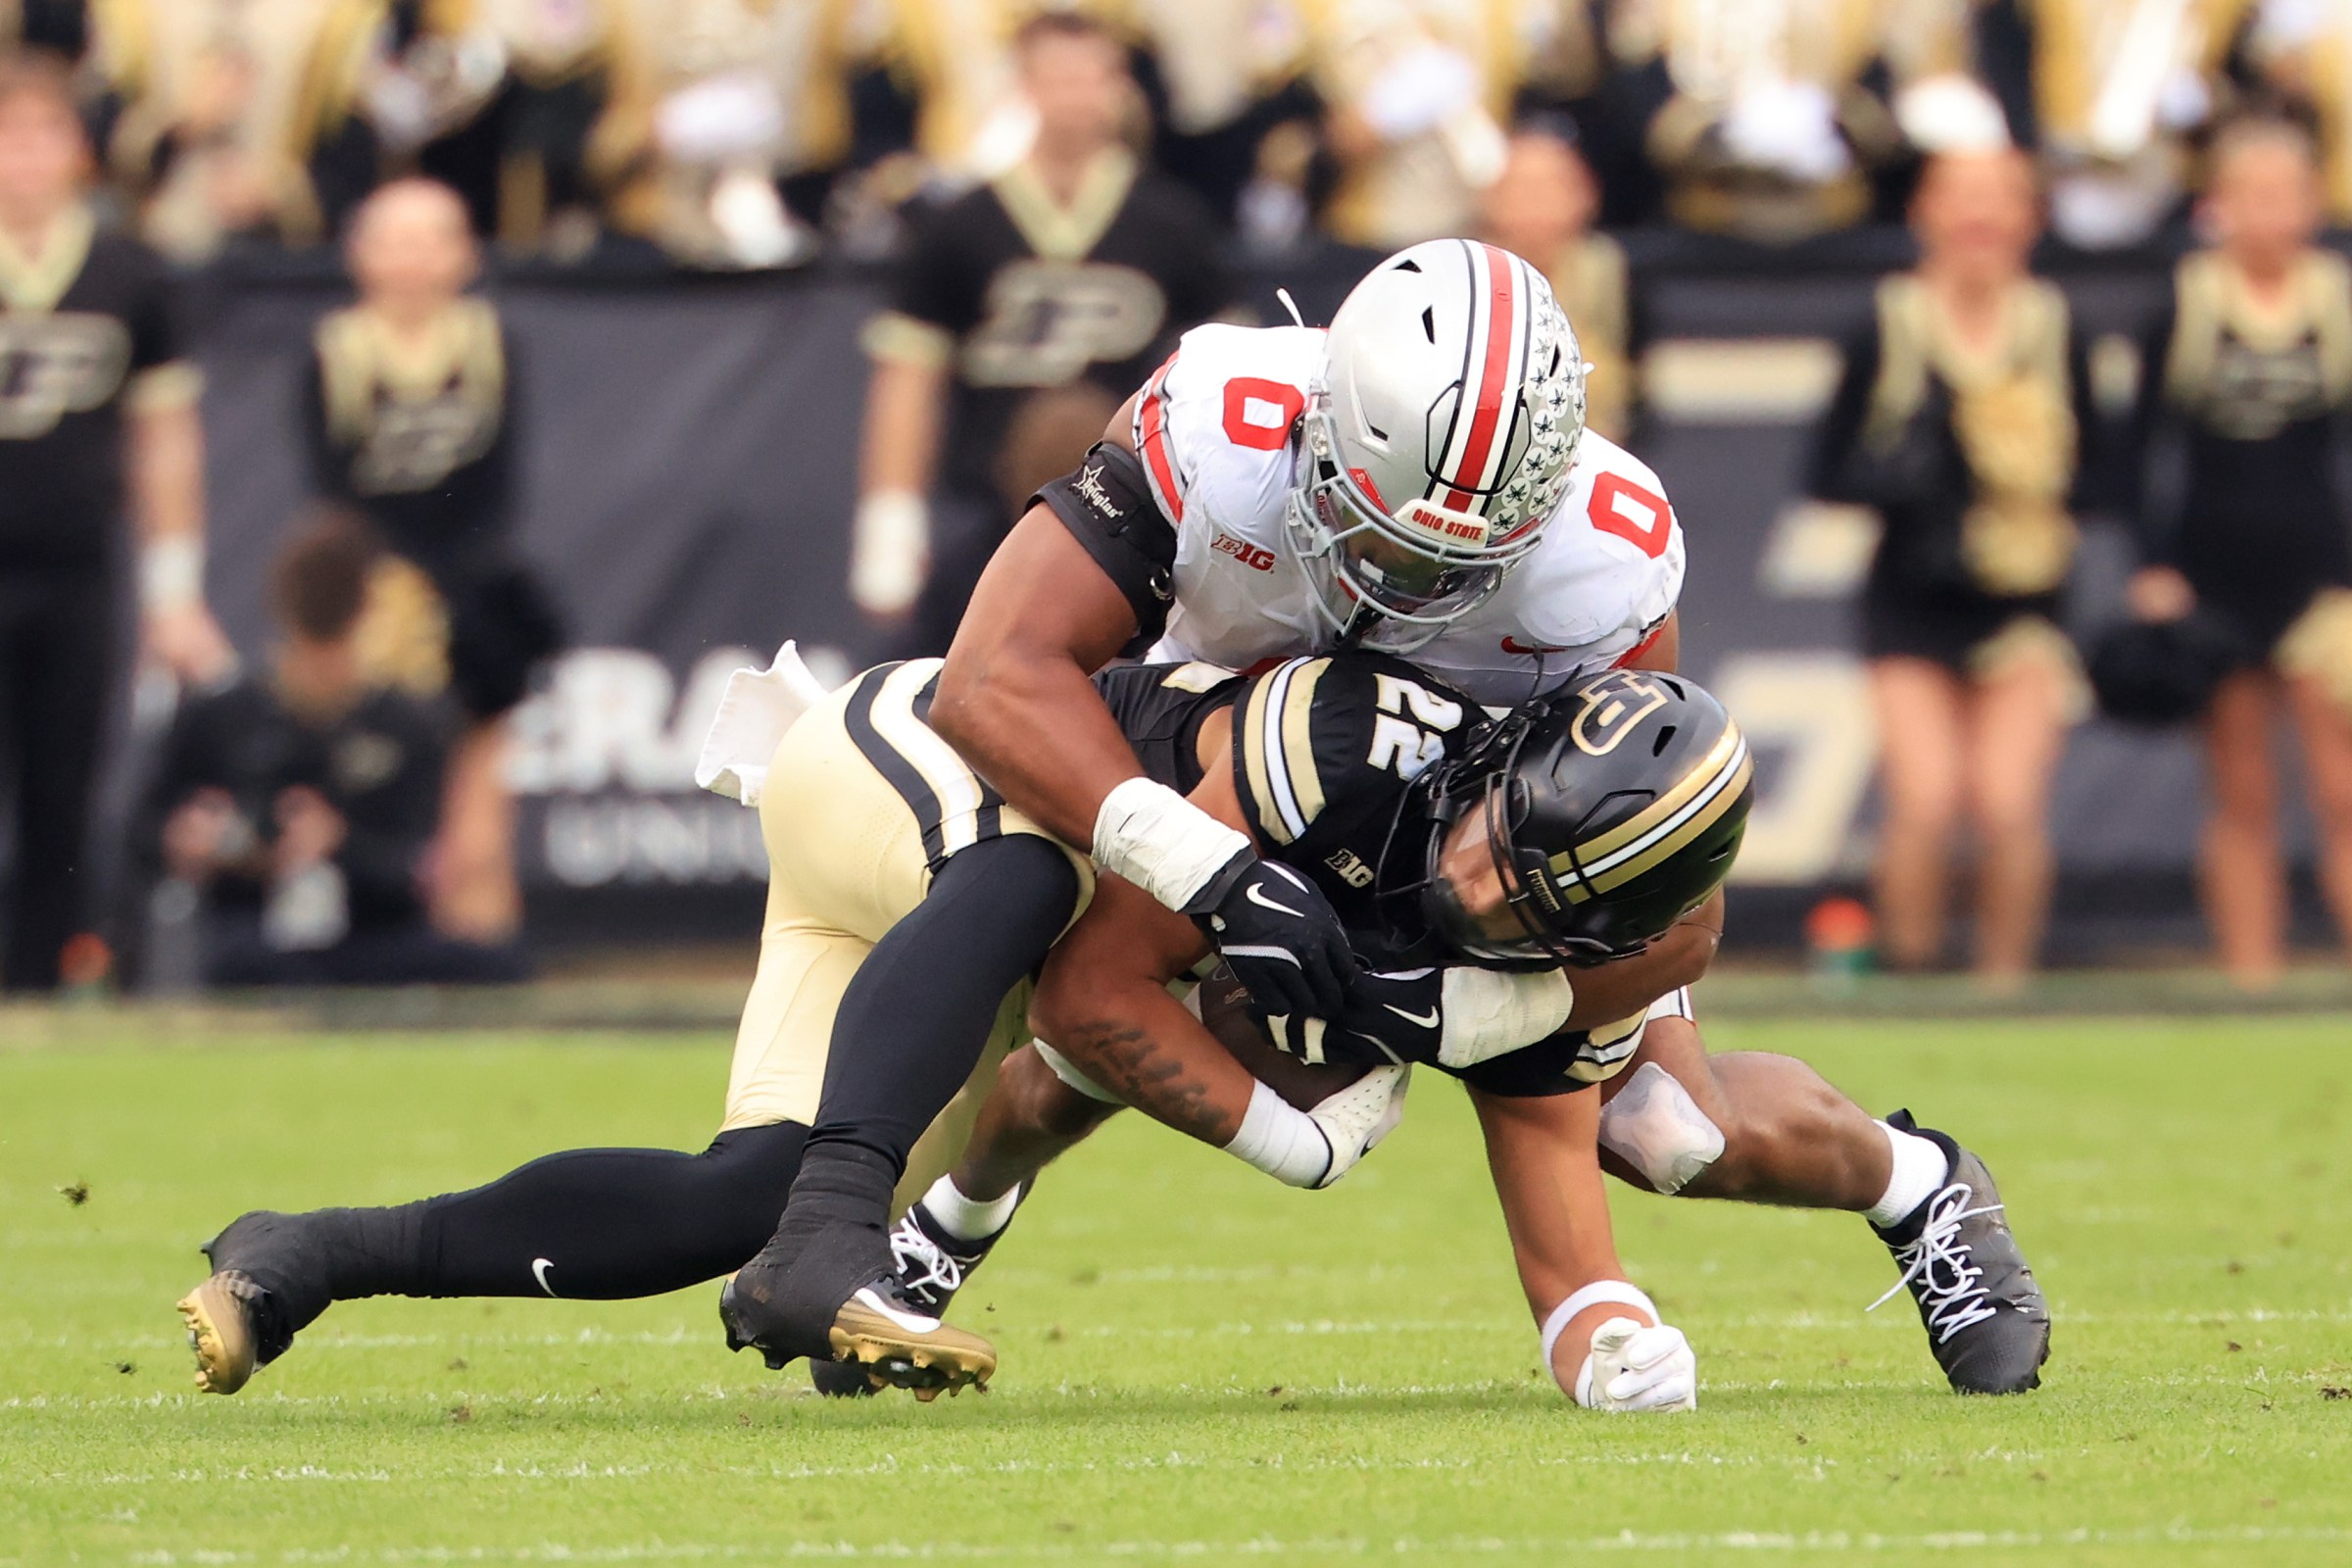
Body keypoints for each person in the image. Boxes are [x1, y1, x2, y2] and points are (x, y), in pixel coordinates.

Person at [736, 233, 2048, 1398]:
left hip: (1485, 845)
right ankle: (950, 1223)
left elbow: (1672, 902)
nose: (1398, 583)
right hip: (1232, 762)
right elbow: (997, 675)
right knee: (1106, 996)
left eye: (1448, 568)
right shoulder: (1217, 421)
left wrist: (1448, 1005)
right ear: (1329, 424)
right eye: (1382, 536)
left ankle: (1915, 1184)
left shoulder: (1608, 562)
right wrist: (1195, 862)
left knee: (1670, 1130)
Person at [172, 647, 1514, 1400]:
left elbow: (1063, 1074)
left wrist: (932, 1258)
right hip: (933, 764)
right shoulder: (1350, 756)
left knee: (747, 1201)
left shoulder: (1400, 899)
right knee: (1035, 875)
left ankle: (303, 1254)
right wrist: (1304, 1143)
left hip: (933, 871)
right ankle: (839, 1246)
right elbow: (1088, 1006)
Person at [845, 9, 1228, 654]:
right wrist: (891, 520)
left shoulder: (1173, 224)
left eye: (1090, 76)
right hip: (990, 514)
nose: (1074, 98)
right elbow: (909, 378)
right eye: (1056, 78)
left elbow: (1224, 379)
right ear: (1021, 85)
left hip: (1140, 520)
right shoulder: (961, 225)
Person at [1807, 147, 2097, 987]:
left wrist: (2024, 475)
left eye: (1999, 199)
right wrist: (1913, 475)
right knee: (1927, 799)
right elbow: (1826, 469)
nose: (1979, 219)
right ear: (1924, 214)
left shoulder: (2052, 326)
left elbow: (2101, 468)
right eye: (1960, 199)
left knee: (2008, 804)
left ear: (2030, 218)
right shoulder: (1891, 323)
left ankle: (2004, 981)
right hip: (1911, 596)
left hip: (2023, 598)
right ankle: (1914, 975)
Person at [0, 50, 226, 994]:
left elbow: (165, 442)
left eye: (44, 132)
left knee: (63, 787)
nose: (23, 156)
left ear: (79, 151)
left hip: (75, 564)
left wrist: (174, 592)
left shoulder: (130, 274)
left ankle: (42, 984)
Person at [300, 177, 561, 948]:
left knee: (482, 782)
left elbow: (498, 480)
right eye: (394, 241)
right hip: (378, 598)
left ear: (466, 253)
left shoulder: (486, 339)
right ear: (359, 255)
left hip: (473, 589)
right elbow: (331, 487)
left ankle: (482, 924)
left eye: (432, 239)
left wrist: (459, 587)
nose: (413, 260)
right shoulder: (337, 350)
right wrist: (387, 590)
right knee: (388, 771)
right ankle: (391, 927)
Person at [2124, 117, 2352, 988]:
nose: (2269, 215)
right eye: (2251, 196)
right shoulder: (2185, 303)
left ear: (2313, 203)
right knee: (2244, 792)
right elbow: (2141, 448)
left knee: (2341, 791)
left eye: (2286, 196)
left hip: (2323, 581)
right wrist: (2155, 565)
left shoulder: (2334, 299)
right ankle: (2252, 979)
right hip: (2214, 582)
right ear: (2219, 205)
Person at [136, 515, 523, 987]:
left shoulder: (403, 726)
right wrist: (192, 842)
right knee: (233, 961)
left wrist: (338, 845)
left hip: (369, 940)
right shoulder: (222, 717)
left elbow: (413, 870)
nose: (321, 672)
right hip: (256, 936)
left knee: (490, 965)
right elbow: (139, 833)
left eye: (332, 649)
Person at [1479, 117, 1636, 446]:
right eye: (1521, 188)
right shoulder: (1469, 276)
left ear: (1586, 195)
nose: (1535, 202)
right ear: (1490, 198)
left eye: (1550, 187)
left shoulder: (1609, 272)